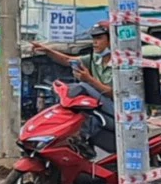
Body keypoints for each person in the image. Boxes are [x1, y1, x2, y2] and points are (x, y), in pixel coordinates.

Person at [32, 22, 116, 155]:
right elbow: (68, 60)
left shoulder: (121, 63)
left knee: (82, 87)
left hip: (116, 109)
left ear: (112, 41)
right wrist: (48, 51)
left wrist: (89, 80)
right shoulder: (95, 59)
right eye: (93, 39)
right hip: (99, 106)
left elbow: (113, 94)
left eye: (99, 38)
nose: (95, 42)